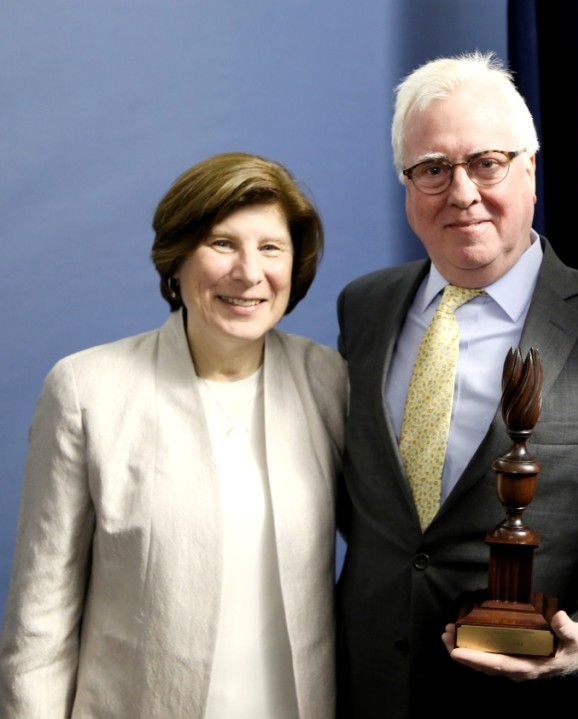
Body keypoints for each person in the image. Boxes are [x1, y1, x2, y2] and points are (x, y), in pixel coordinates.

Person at [335, 51, 578, 716]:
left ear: (530, 171)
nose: (461, 192)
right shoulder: (363, 309)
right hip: (364, 686)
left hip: (526, 701)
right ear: (407, 186)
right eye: (432, 169)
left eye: (486, 162)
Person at [0, 152, 346, 718]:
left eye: (270, 248)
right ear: (177, 259)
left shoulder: (332, 382)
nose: (249, 272)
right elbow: (40, 624)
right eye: (222, 244)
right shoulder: (87, 390)